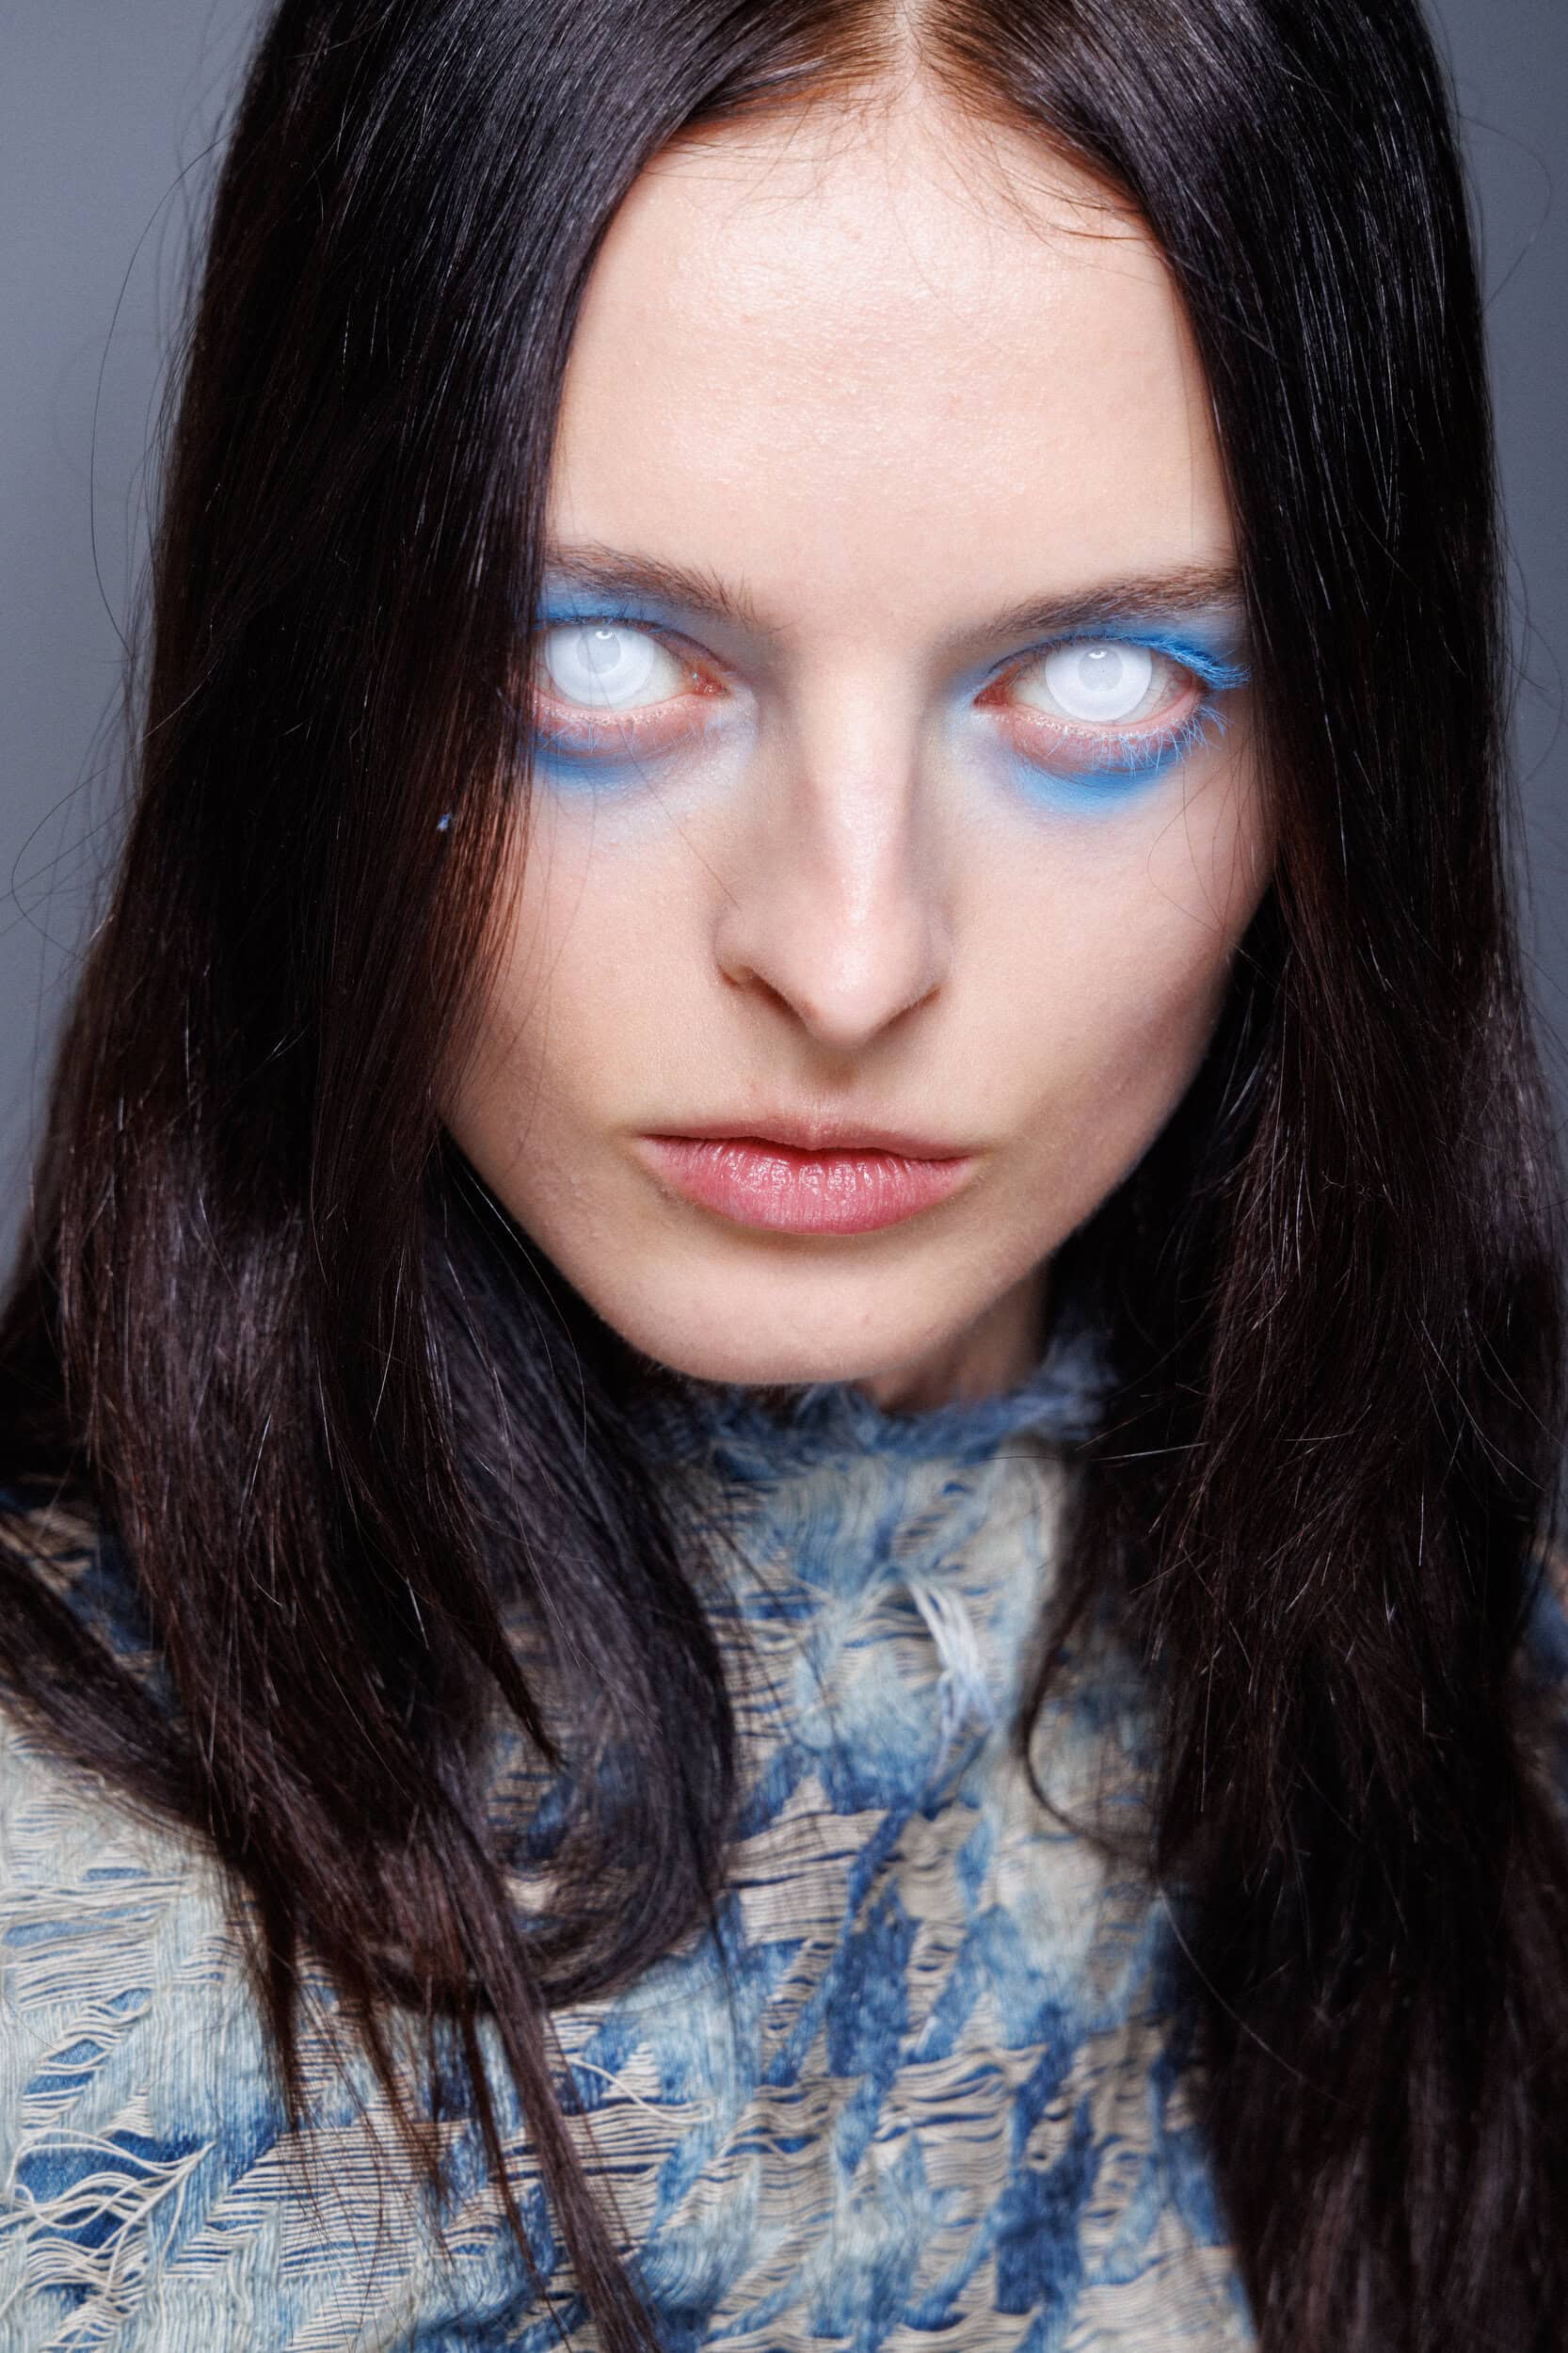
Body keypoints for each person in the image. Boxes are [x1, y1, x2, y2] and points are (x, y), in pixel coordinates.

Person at [1, 0, 1564, 2345]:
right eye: (598, 659)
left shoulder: (1495, 1718)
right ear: (317, 676)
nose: (844, 960)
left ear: (1348, 757)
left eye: (1099, 684)